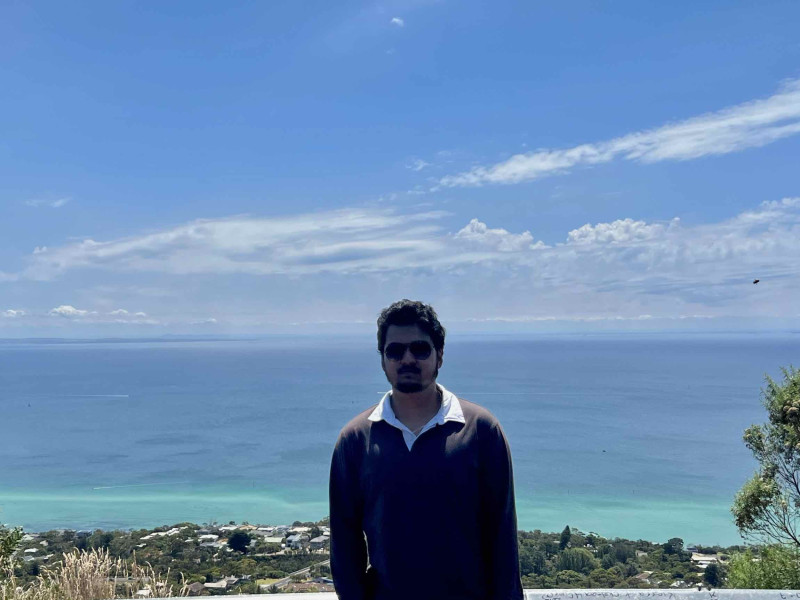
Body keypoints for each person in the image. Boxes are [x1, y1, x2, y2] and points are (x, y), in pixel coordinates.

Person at [329, 299, 523, 600]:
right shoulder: (355, 439)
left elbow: (502, 538)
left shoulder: (480, 430)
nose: (407, 359)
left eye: (419, 349)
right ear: (382, 360)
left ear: (439, 355)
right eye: (395, 351)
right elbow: (344, 546)